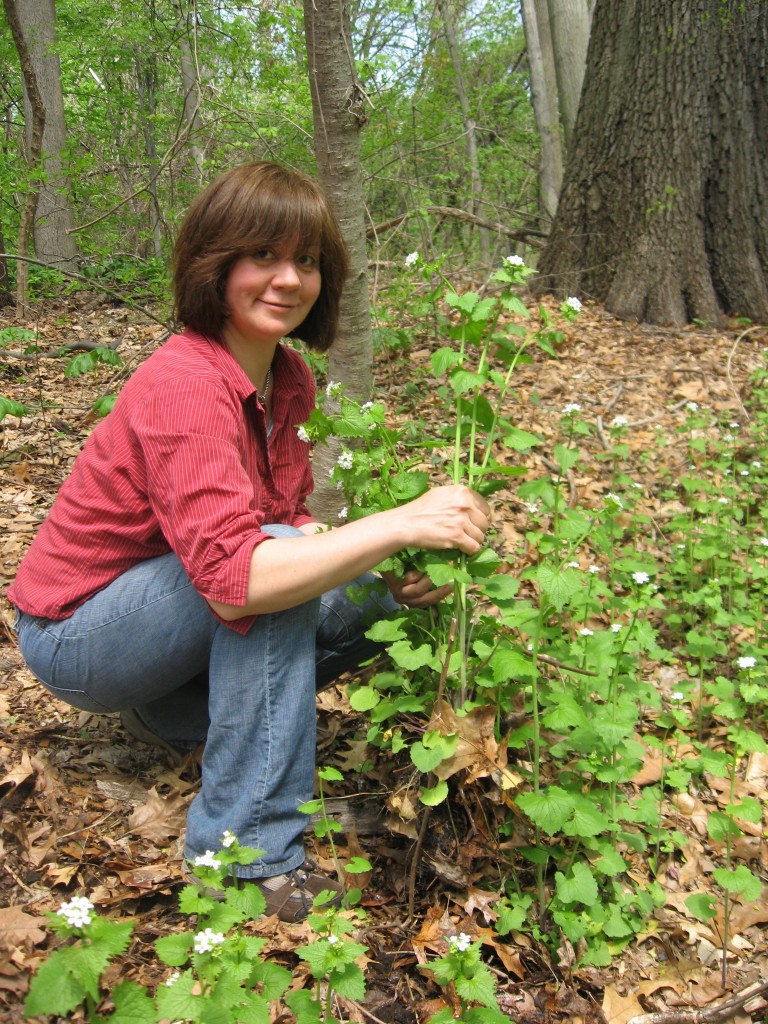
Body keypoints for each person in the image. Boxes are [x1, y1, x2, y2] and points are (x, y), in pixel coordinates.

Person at [8, 162, 490, 922]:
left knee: (369, 583)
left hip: (165, 626)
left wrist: (387, 559)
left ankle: (173, 713)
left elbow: (288, 521)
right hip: (76, 634)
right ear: (216, 264)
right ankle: (247, 857)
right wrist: (396, 521)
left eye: (306, 260)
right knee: (268, 568)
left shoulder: (287, 377)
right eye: (262, 256)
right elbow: (238, 576)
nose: (288, 278)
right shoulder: (185, 382)